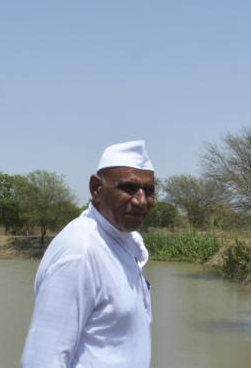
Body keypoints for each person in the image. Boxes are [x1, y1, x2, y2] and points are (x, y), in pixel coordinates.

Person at [21, 140, 156, 368]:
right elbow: (42, 360)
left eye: (149, 190)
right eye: (129, 188)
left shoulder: (122, 242)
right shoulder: (81, 251)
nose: (141, 201)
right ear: (96, 188)